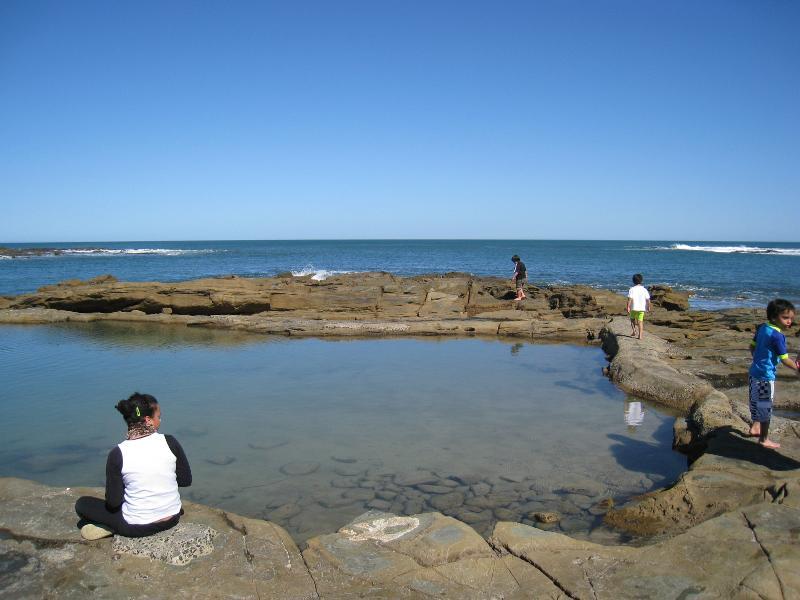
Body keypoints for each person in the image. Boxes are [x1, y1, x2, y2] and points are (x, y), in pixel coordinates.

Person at [75, 393, 192, 540]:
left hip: (137, 527)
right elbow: (185, 480)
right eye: (159, 417)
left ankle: (108, 527)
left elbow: (113, 503)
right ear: (148, 420)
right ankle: (108, 526)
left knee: (82, 504)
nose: (160, 420)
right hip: (173, 517)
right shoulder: (170, 441)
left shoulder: (118, 453)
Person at [748, 299, 800, 449]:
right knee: (765, 407)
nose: (789, 321)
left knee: (755, 402)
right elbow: (784, 359)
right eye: (785, 318)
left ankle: (755, 427)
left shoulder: (762, 327)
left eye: (791, 318)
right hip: (765, 378)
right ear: (773, 317)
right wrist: (797, 368)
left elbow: (752, 347)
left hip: (754, 373)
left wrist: (759, 359)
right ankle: (764, 439)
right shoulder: (777, 336)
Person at [626, 274, 651, 339]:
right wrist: (648, 306)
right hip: (641, 308)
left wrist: (628, 307)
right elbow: (648, 299)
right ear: (641, 281)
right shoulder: (644, 290)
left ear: (633, 281)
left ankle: (634, 331)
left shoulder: (632, 289)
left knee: (632, 320)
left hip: (633, 308)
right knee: (640, 322)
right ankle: (640, 336)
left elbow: (630, 299)